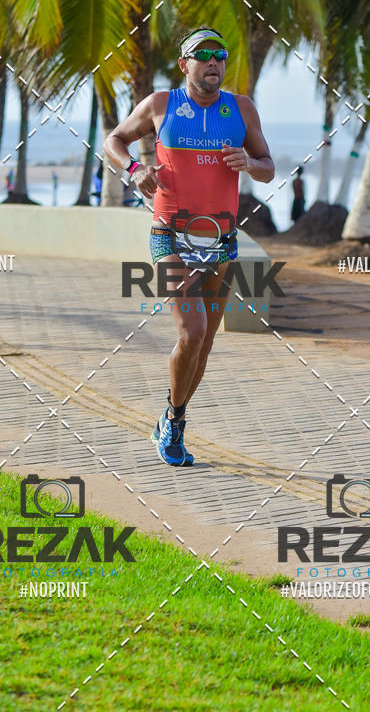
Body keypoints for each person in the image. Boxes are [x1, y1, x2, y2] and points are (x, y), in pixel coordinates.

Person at [104, 26, 274, 467]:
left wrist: (250, 163)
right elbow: (114, 141)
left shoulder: (241, 109)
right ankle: (176, 422)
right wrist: (134, 169)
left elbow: (269, 167)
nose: (214, 61)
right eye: (204, 55)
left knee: (206, 342)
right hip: (170, 235)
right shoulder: (163, 104)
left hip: (221, 240)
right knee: (191, 333)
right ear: (185, 64)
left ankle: (170, 414)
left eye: (221, 54)